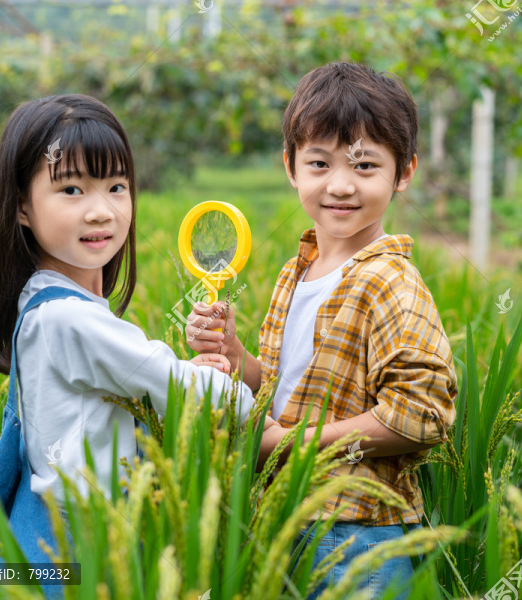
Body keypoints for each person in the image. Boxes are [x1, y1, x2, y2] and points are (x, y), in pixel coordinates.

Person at [186, 62, 458, 600]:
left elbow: (422, 413)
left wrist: (286, 445)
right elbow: (291, 392)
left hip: (358, 536)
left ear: (403, 173)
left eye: (364, 165)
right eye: (318, 163)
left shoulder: (389, 283)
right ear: (290, 166)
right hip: (289, 516)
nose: (339, 185)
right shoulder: (299, 271)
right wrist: (239, 359)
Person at [0, 94, 256, 598]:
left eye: (116, 187)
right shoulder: (70, 320)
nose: (100, 211)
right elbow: (178, 388)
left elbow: (140, 386)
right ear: (21, 207)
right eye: (72, 189)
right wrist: (232, 391)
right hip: (91, 550)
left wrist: (201, 370)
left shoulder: (42, 306)